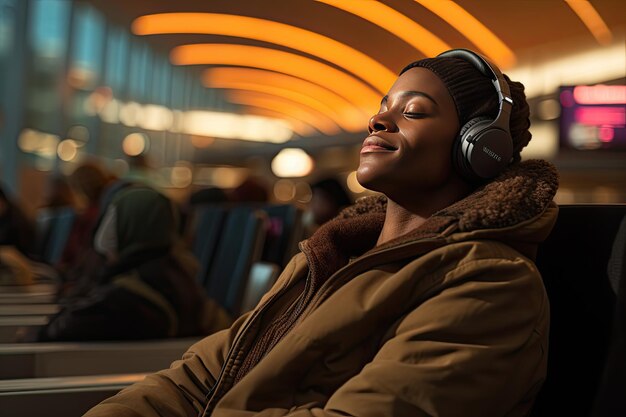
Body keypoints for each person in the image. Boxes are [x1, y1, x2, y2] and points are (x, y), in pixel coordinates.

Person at [84, 49, 559, 416]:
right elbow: (201, 375)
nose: (378, 119)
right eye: (382, 106)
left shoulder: (491, 283)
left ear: (478, 148)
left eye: (413, 111)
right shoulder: (329, 257)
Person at [38, 185, 230, 341]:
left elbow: (56, 332)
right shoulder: (175, 273)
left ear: (128, 227)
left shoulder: (127, 298)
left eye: (113, 220)